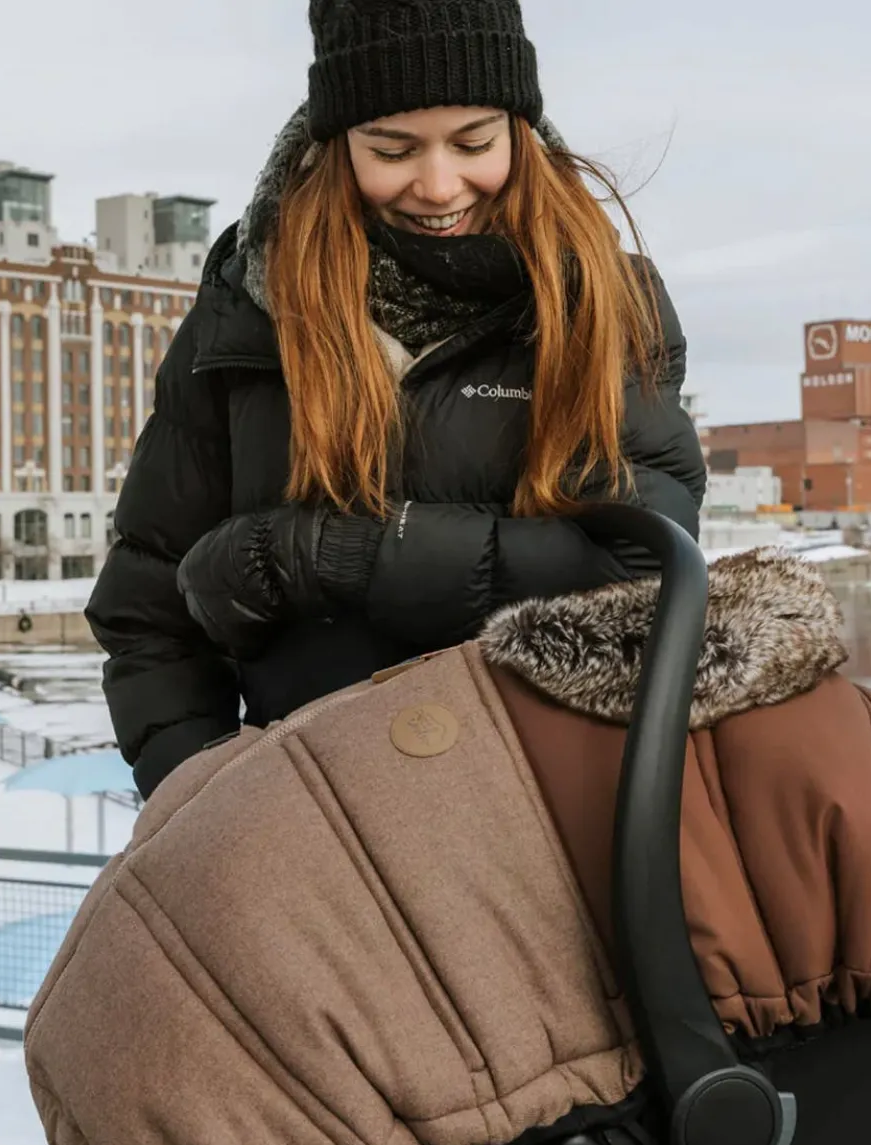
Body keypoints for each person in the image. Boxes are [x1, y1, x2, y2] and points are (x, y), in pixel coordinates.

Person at [85, 0, 708, 800]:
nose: (440, 185)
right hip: (316, 821)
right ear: (338, 142)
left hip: (552, 808)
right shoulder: (248, 300)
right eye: (393, 149)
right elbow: (147, 606)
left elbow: (639, 565)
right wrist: (200, 796)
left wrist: (329, 553)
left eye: (475, 143)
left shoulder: (605, 300)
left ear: (521, 129)